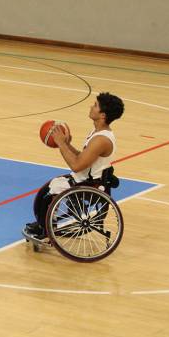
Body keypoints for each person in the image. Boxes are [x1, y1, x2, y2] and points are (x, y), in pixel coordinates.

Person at [24, 92, 125, 239]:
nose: (91, 106)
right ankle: (44, 224)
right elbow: (82, 157)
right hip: (86, 178)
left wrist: (60, 143)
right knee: (44, 193)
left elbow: (76, 165)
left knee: (47, 195)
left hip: (90, 185)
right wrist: (66, 144)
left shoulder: (101, 139)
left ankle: (44, 230)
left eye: (95, 105)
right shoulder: (98, 133)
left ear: (102, 115)